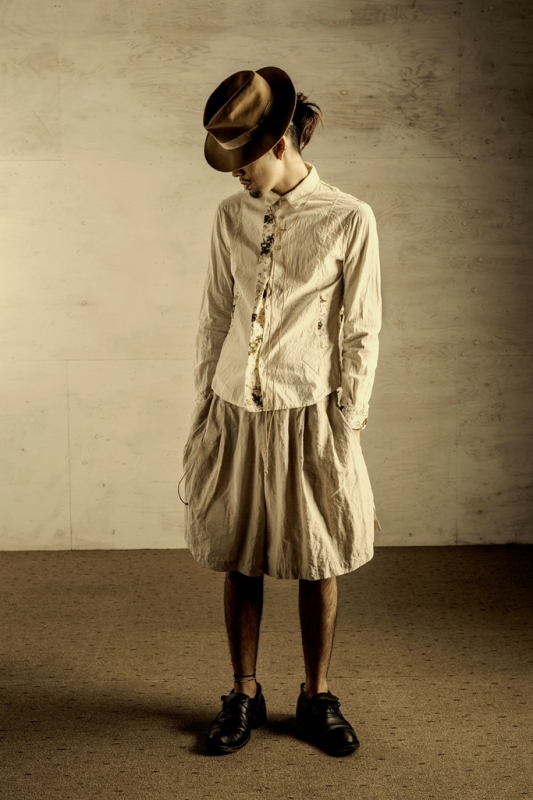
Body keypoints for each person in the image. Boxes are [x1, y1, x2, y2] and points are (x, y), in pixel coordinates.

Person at [178, 66, 382, 757]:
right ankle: (243, 692)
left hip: (311, 408)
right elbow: (214, 316)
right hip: (235, 406)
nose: (235, 173)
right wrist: (205, 406)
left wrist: (348, 420)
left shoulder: (348, 218)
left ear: (278, 143)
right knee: (240, 554)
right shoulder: (229, 217)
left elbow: (361, 329)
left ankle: (316, 695)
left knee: (318, 555)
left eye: (242, 159)